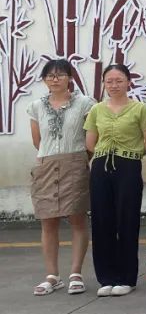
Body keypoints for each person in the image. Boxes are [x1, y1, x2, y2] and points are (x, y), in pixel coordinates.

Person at [83, 63, 146, 296]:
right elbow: (90, 143)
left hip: (128, 167)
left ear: (128, 82)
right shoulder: (97, 110)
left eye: (119, 80)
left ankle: (126, 278)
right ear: (104, 84)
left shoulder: (140, 109)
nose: (114, 85)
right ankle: (106, 278)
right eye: (109, 81)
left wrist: (131, 155)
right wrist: (107, 154)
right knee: (101, 221)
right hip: (101, 168)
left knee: (127, 219)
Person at [26, 59, 94, 295]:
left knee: (77, 218)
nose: (55, 79)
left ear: (70, 78)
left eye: (60, 75)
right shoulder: (36, 106)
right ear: (44, 80)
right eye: (50, 76)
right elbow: (38, 141)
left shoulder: (85, 103)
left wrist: (79, 159)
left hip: (74, 163)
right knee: (48, 221)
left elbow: (90, 137)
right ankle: (52, 276)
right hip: (46, 165)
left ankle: (75, 273)